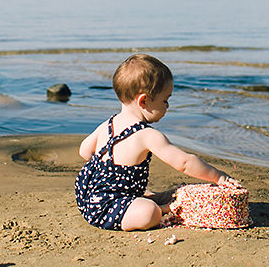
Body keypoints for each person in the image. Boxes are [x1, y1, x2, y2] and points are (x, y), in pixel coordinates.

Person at [75, 53, 240, 231]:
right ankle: (162, 208)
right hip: (106, 208)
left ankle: (141, 199)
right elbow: (184, 163)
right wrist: (219, 177)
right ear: (144, 100)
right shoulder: (146, 135)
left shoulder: (109, 123)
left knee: (145, 197)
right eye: (165, 100)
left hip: (87, 197)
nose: (167, 106)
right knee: (149, 212)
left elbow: (84, 152)